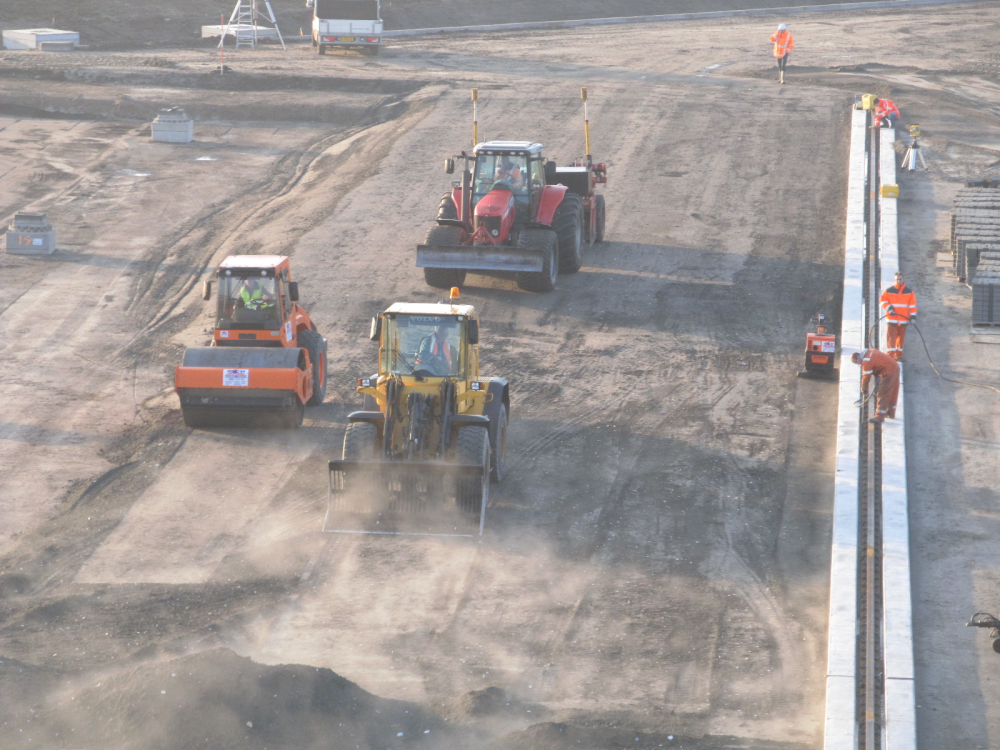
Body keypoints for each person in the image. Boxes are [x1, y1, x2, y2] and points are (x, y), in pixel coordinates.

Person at [851, 348, 901, 423]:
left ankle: (879, 416)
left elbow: (866, 377)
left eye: (857, 362)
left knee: (882, 393)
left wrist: (863, 388)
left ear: (858, 356)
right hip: (895, 367)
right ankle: (891, 413)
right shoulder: (871, 351)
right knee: (893, 392)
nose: (858, 364)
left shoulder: (866, 361)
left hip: (889, 372)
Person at [880, 271, 917, 360]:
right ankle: (890, 357)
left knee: (900, 340)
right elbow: (883, 301)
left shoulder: (909, 292)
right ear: (894, 280)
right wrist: (889, 308)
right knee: (891, 339)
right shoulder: (888, 291)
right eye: (897, 279)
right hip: (892, 319)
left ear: (903, 279)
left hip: (903, 320)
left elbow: (912, 306)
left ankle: (898, 356)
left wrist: (913, 317)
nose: (898, 281)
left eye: (900, 279)